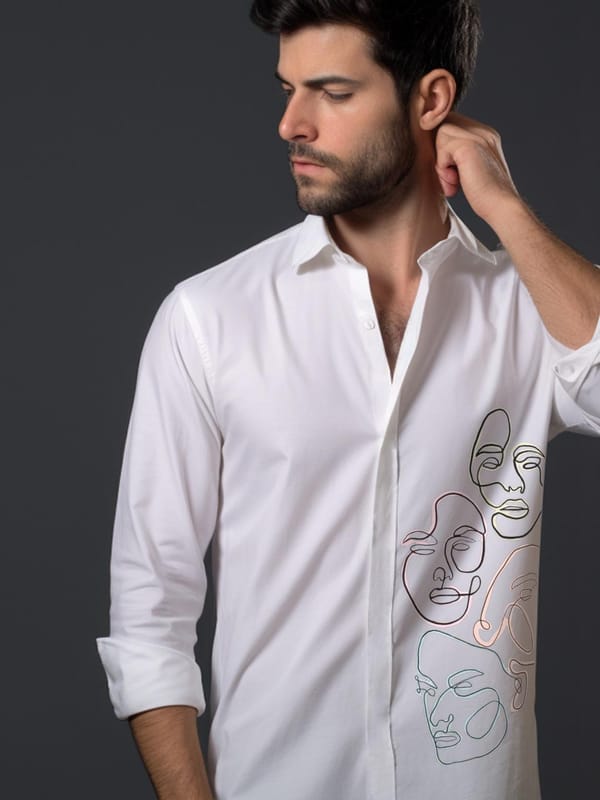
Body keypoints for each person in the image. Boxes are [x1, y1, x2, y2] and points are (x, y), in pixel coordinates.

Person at [96, 1, 600, 798]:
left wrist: (506, 209)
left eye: (332, 92)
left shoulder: (526, 309)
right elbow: (148, 615)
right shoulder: (209, 318)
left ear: (431, 100)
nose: (291, 124)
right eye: (287, 89)